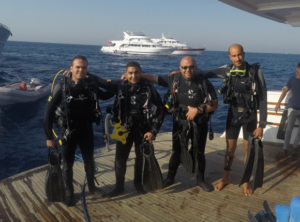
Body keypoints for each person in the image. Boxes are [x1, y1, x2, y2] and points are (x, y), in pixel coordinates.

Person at [139, 56, 218, 192]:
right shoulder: (173, 79)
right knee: (176, 151)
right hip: (179, 123)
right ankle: (170, 177)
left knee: (198, 151)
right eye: (184, 67)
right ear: (180, 68)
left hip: (199, 123)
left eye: (191, 67)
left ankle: (200, 179)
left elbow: (214, 104)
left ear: (195, 67)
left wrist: (198, 110)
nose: (188, 70)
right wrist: (138, 75)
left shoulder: (203, 82)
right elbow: (154, 78)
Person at [44, 55, 114, 206]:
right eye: (77, 67)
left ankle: (93, 187)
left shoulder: (91, 85)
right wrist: (49, 137)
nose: (81, 70)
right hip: (68, 132)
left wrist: (120, 84)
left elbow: (105, 95)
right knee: (67, 165)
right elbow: (48, 113)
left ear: (87, 70)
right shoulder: (62, 86)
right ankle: (69, 192)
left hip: (86, 131)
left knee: (89, 160)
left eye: (84, 67)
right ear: (71, 68)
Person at [91, 61, 165, 197]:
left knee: (140, 158)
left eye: (136, 72)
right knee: (120, 159)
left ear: (141, 73)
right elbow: (100, 82)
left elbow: (161, 109)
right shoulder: (119, 86)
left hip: (143, 129)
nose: (133, 76)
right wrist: (84, 73)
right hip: (123, 128)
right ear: (125, 74)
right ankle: (119, 186)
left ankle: (138, 183)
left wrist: (153, 131)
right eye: (130, 73)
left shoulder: (148, 88)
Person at [201, 44, 267, 196]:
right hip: (233, 117)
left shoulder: (255, 72)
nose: (237, 58)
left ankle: (245, 181)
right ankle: (225, 178)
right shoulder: (227, 70)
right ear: (229, 57)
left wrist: (262, 124)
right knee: (229, 150)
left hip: (250, 117)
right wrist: (182, 73)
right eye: (234, 56)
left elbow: (263, 99)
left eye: (240, 55)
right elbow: (205, 73)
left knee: (247, 150)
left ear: (244, 54)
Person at [275, 62, 300, 156]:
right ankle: (285, 148)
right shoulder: (291, 79)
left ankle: (295, 147)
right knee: (289, 129)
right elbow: (285, 91)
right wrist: (278, 103)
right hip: (292, 108)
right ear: (297, 69)